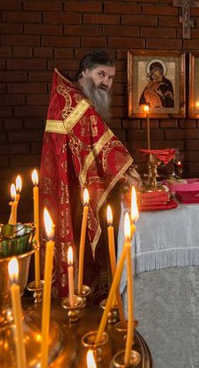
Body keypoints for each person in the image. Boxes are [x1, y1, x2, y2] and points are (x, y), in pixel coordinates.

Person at [39, 51, 140, 298]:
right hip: (71, 183)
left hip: (72, 178)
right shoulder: (76, 102)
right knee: (75, 235)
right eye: (101, 74)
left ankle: (80, 292)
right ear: (84, 71)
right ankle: (76, 295)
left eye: (110, 77)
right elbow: (98, 143)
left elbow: (90, 145)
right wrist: (126, 173)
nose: (106, 82)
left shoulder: (70, 96)